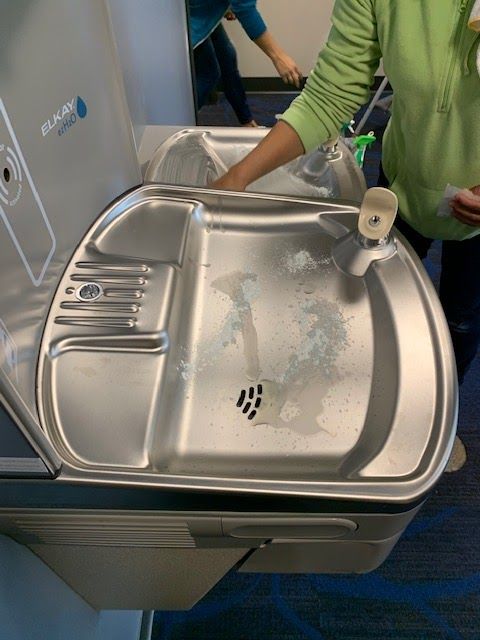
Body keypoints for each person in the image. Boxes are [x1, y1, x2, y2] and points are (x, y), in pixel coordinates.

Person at [213, 0, 480, 470]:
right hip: (405, 182)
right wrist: (239, 178)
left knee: (461, 318)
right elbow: (330, 94)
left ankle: (444, 415)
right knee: (373, 297)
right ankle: (386, 399)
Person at [189, 0, 302, 126]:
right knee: (208, 75)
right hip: (186, 16)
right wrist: (278, 56)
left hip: (199, 12)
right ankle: (173, 125)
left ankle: (246, 121)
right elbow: (245, 9)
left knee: (227, 58)